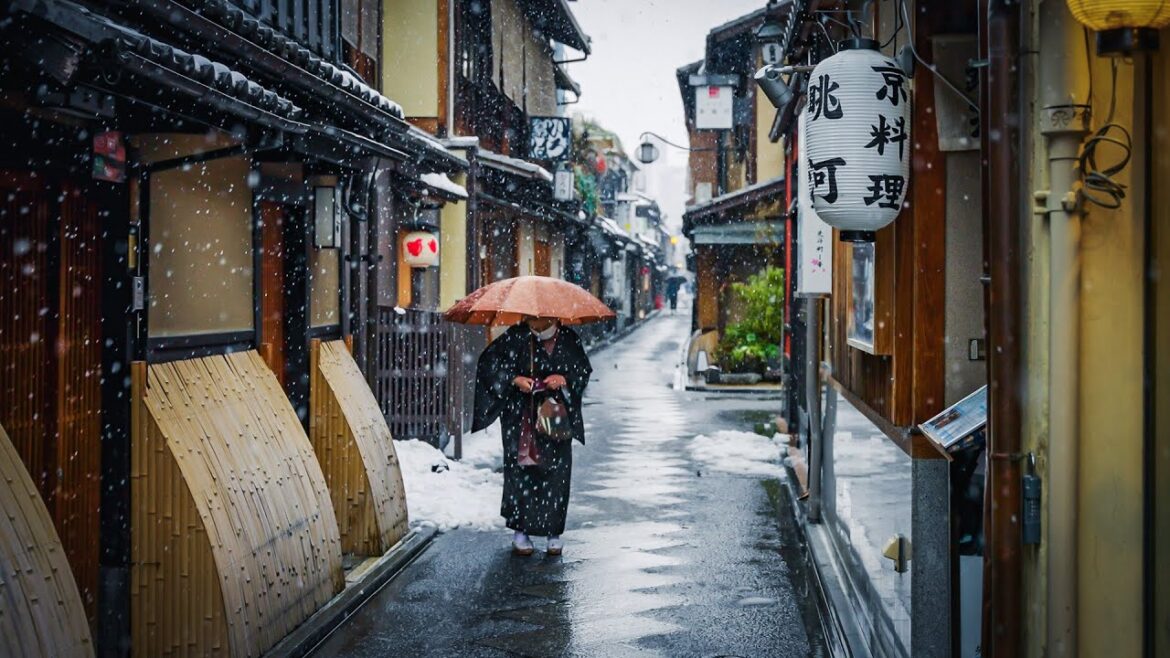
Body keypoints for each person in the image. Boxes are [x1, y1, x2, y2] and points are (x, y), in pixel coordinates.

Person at [472, 316, 593, 556]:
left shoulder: (568, 339)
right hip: (520, 414)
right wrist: (514, 379)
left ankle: (553, 532)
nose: (537, 322)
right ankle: (520, 531)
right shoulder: (516, 336)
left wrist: (564, 379)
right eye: (533, 319)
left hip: (554, 415)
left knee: (556, 471)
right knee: (521, 470)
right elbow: (488, 364)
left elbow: (582, 370)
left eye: (543, 318)